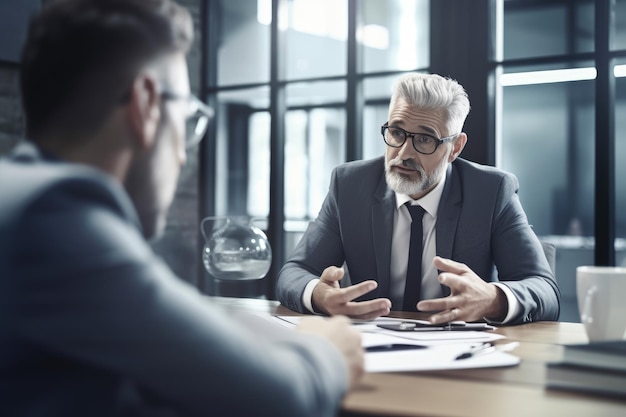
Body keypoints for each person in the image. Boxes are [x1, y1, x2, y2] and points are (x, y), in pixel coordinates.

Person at [0, 1, 363, 416]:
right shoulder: (58, 219)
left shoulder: (18, 194)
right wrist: (327, 351)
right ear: (146, 104)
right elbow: (284, 399)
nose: (181, 155)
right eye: (188, 117)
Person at [277, 73, 560, 325]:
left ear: (455, 148)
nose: (403, 153)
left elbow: (544, 288)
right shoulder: (350, 185)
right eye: (397, 132)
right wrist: (319, 295)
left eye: (425, 139)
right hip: (371, 352)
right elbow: (294, 272)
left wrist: (494, 298)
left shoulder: (491, 191)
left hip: (459, 357)